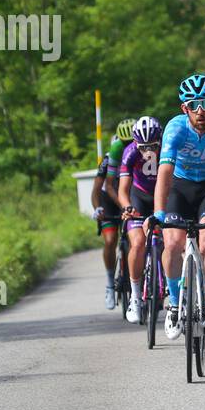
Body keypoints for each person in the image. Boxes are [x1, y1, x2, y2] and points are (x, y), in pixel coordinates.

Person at [154, 75, 205, 339]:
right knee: (173, 244)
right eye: (194, 104)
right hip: (181, 187)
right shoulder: (176, 128)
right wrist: (158, 213)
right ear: (184, 108)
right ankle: (175, 304)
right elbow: (164, 172)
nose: (201, 110)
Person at [116, 116, 162, 323]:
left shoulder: (170, 147)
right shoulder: (130, 152)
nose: (148, 151)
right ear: (136, 143)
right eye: (143, 147)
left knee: (172, 241)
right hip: (140, 197)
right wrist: (127, 207)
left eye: (153, 146)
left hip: (164, 196)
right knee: (137, 243)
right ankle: (135, 296)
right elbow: (123, 190)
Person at [90, 118, 133, 309]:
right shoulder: (109, 159)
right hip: (109, 199)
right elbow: (97, 188)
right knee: (110, 240)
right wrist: (97, 208)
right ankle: (109, 282)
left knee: (135, 240)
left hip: (129, 197)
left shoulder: (141, 154)